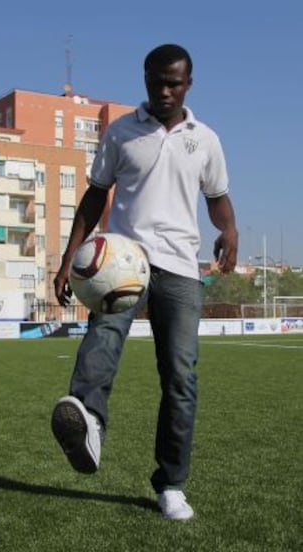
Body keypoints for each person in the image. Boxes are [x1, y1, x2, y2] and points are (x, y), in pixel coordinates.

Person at [51, 43, 238, 521]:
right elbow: (95, 197)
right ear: (145, 79)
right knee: (103, 337)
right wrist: (70, 257)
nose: (163, 91)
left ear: (188, 84)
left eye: (173, 83)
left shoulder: (206, 140)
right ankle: (89, 421)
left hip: (180, 267)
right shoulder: (121, 133)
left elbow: (217, 197)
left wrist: (229, 230)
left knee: (180, 377)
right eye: (155, 81)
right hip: (124, 259)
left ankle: (171, 484)